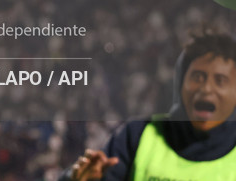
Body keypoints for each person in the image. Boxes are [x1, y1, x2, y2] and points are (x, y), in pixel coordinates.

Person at [61, 31, 236, 180]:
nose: (206, 88)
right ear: (181, 83)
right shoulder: (137, 135)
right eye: (197, 77)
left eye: (220, 81)